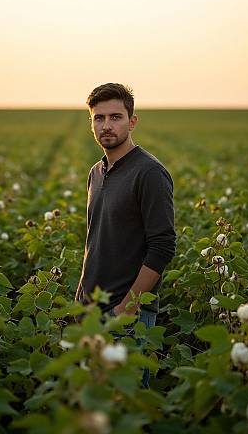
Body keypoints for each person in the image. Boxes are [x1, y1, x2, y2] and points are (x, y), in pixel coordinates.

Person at [75, 82, 176, 388]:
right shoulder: (96, 172)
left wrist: (127, 308)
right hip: (91, 309)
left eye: (116, 117)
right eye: (99, 118)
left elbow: (163, 247)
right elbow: (97, 238)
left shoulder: (149, 173)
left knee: (128, 405)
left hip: (126, 315)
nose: (107, 125)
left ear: (132, 122)